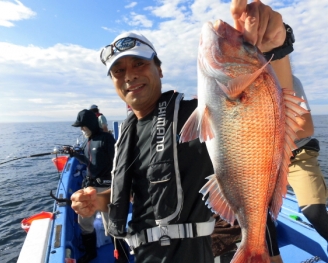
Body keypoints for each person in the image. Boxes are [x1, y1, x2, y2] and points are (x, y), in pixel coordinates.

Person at [71, 1, 294, 262]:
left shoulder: (191, 114)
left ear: (160, 69)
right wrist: (100, 200)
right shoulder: (128, 133)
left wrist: (275, 50)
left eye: (139, 65)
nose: (129, 75)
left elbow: (266, 115)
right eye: (119, 71)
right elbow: (139, 191)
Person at [69, 109, 116, 263]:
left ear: (89, 124)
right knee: (84, 222)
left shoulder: (106, 139)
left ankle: (121, 255)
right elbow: (88, 161)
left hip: (106, 188)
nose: (81, 129)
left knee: (111, 224)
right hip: (90, 187)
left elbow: (118, 163)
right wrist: (74, 154)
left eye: (82, 126)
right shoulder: (87, 141)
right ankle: (91, 253)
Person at [287, 75, 328, 242]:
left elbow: (306, 128)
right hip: (260, 160)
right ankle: (274, 256)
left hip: (298, 155)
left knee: (314, 211)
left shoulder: (290, 81)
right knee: (256, 210)